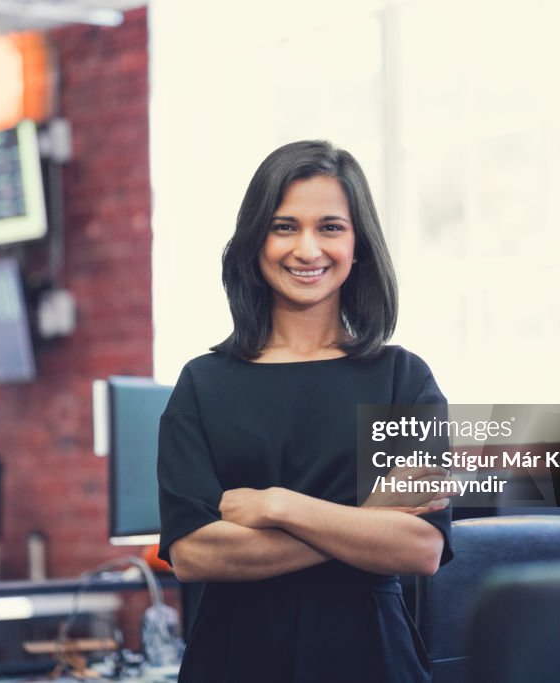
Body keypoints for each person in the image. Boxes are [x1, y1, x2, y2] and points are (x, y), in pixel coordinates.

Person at [157, 140, 453, 682]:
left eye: (331, 227)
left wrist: (280, 506)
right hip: (236, 658)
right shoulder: (203, 384)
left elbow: (420, 545)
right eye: (285, 226)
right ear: (255, 241)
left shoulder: (400, 379)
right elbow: (197, 555)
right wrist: (364, 523)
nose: (307, 249)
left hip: (370, 656)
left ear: (358, 244)